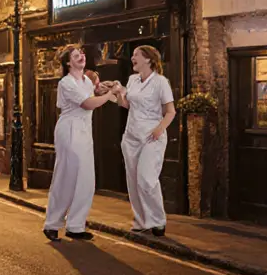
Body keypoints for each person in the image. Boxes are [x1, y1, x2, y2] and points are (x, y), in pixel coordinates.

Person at [43, 46, 117, 241]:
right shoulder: (66, 83)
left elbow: (95, 91)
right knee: (66, 177)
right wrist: (108, 96)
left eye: (82, 54)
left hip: (84, 130)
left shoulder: (86, 80)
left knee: (86, 180)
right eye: (76, 56)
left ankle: (75, 226)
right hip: (69, 130)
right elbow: (87, 104)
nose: (81, 57)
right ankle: (52, 223)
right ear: (68, 62)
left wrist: (106, 87)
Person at [104, 45, 176, 237]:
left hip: (152, 137)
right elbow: (126, 104)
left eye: (136, 55)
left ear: (148, 59)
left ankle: (158, 221)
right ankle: (141, 221)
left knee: (147, 179)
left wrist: (159, 129)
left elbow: (170, 111)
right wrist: (118, 92)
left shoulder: (161, 82)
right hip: (131, 136)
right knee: (134, 181)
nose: (132, 58)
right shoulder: (132, 80)